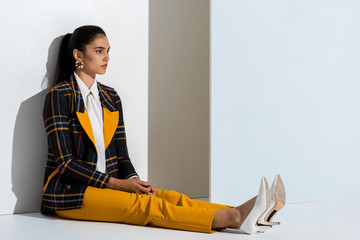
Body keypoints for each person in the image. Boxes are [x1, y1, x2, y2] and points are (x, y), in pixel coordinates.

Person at [42, 25, 285, 234]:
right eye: (99, 51)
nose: (106, 57)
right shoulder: (59, 96)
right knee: (146, 208)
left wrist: (134, 181)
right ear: (78, 55)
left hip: (109, 185)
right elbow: (65, 163)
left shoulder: (110, 97)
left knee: (165, 197)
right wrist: (118, 184)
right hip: (69, 193)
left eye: (108, 51)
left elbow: (121, 155)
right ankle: (233, 218)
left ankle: (241, 213)